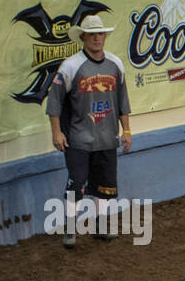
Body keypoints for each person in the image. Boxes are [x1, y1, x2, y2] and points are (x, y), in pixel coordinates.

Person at [45, 14, 133, 249]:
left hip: (106, 138)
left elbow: (122, 100)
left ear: (105, 36)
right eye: (92, 34)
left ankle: (101, 226)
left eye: (100, 34)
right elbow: (54, 101)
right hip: (78, 138)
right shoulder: (71, 66)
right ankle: (70, 229)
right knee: (77, 183)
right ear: (83, 37)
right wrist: (57, 132)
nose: (97, 38)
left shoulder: (116, 65)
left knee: (105, 185)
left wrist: (127, 131)